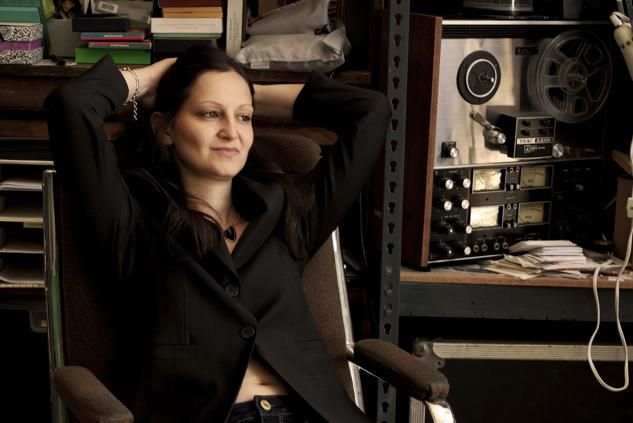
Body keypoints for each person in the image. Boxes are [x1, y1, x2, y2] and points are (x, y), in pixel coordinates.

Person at [45, 45, 390, 422]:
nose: (231, 132)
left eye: (244, 117)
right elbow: (72, 104)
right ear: (165, 129)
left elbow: (369, 111)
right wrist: (153, 78)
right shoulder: (129, 222)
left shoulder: (292, 214)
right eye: (210, 113)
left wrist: (248, 91)